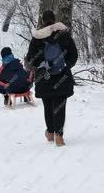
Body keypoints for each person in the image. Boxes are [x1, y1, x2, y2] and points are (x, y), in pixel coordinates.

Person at [25, 10, 78, 146]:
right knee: (60, 106)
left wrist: (40, 66)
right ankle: (59, 136)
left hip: (44, 78)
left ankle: (50, 132)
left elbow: (31, 59)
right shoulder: (64, 35)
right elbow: (74, 55)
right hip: (62, 77)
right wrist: (66, 66)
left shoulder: (37, 37)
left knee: (48, 105)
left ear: (43, 21)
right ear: (54, 20)